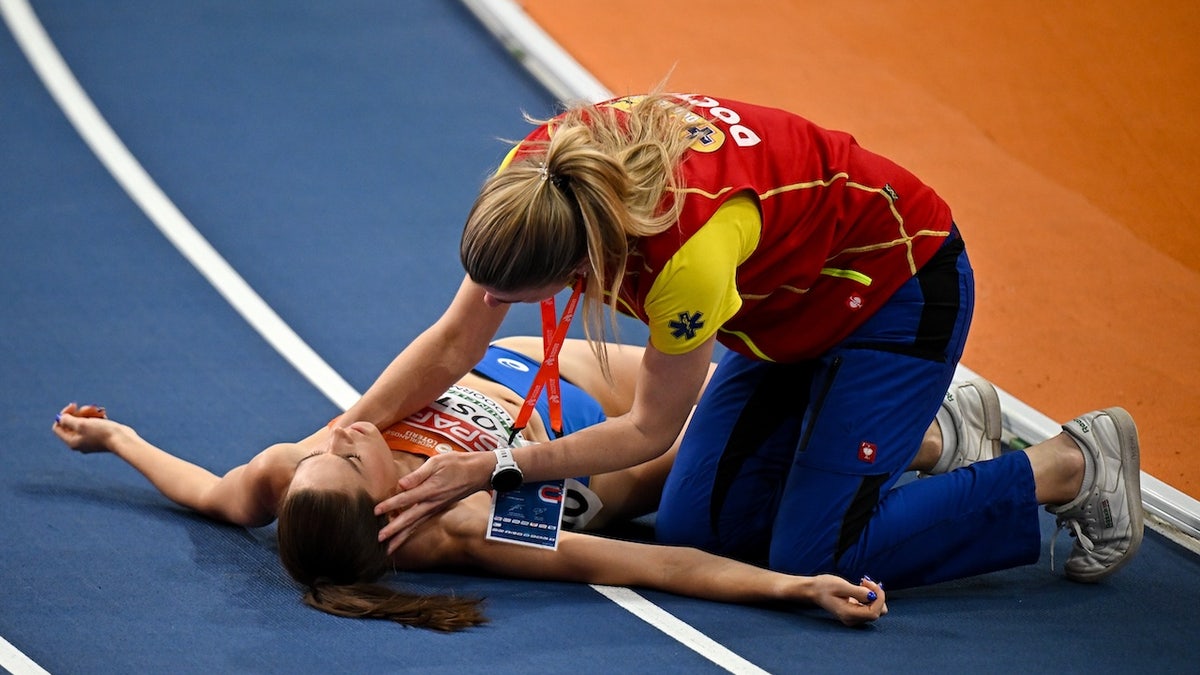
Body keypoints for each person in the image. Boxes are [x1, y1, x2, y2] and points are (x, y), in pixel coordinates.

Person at [344, 91, 1143, 589]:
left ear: (581, 264)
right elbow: (456, 338)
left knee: (814, 552)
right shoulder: (538, 179)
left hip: (896, 291)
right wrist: (345, 429)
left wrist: (493, 465)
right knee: (702, 530)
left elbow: (646, 431)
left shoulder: (685, 265)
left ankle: (1069, 465)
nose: (489, 303)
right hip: (782, 316)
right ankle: (937, 435)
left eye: (509, 297)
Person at [50, 337, 887, 631]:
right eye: (346, 455)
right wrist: (791, 583)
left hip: (525, 362)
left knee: (770, 376)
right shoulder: (469, 528)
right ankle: (929, 441)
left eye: (318, 449)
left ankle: (900, 418)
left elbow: (208, 494)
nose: (340, 431)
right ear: (383, 507)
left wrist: (118, 437)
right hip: (589, 438)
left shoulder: (286, 474)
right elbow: (652, 566)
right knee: (758, 420)